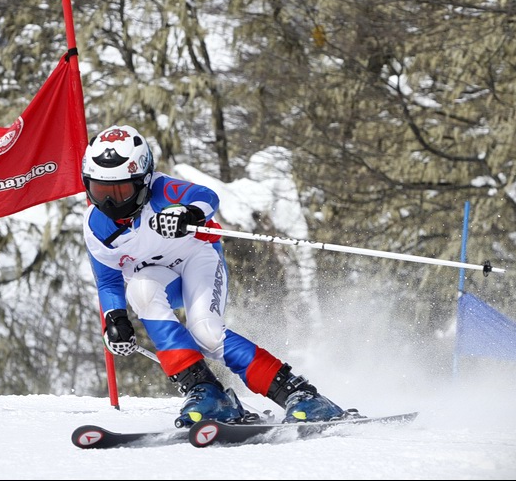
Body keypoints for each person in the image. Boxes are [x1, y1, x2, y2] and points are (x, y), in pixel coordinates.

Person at [81, 124, 361, 427]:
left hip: (198, 260)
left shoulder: (163, 191)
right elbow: (108, 280)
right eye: (100, 192)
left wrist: (188, 213)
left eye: (122, 191)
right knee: (140, 289)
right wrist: (115, 318)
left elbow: (207, 197)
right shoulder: (97, 227)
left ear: (145, 181)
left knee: (206, 332)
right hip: (161, 278)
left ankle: (301, 393)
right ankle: (206, 392)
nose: (111, 204)